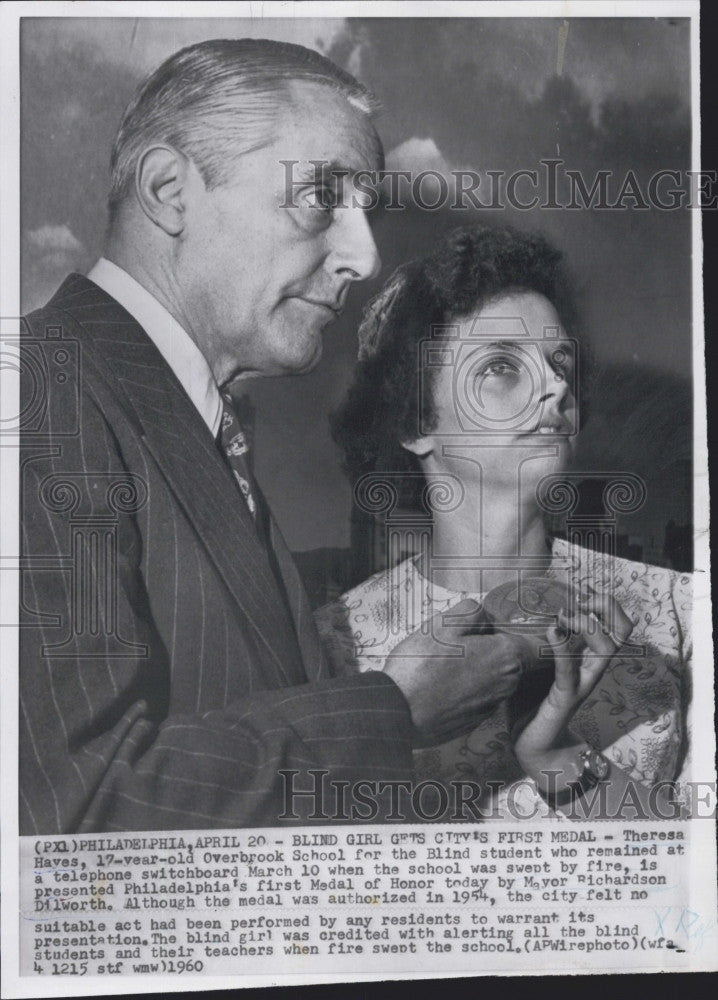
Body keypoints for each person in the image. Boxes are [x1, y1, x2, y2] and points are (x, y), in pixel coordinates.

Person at [19, 40, 537, 833]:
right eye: (321, 195)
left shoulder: (180, 412)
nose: (362, 256)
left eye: (367, 209)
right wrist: (394, 708)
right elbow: (77, 806)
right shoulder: (37, 389)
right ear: (169, 190)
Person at [326, 225, 692, 819]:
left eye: (559, 361)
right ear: (416, 422)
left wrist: (556, 757)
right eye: (501, 366)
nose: (556, 387)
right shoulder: (334, 647)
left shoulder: (677, 610)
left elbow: (700, 889)